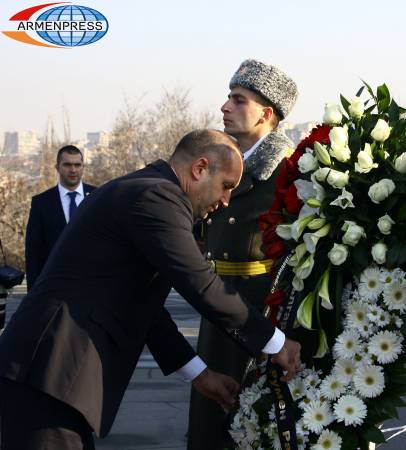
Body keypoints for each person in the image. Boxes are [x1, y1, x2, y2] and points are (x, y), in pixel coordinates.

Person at [0, 129, 301, 450]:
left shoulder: (145, 190)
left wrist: (199, 373)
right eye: (226, 186)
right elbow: (199, 282)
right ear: (199, 169)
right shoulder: (158, 197)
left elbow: (144, 308)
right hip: (48, 370)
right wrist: (275, 342)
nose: (226, 199)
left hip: (53, 378)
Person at [187, 59, 298, 450]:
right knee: (208, 423)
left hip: (256, 310)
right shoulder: (223, 162)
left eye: (238, 100)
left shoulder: (290, 168)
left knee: (248, 423)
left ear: (266, 114)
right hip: (215, 304)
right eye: (228, 98)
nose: (225, 108)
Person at [25, 145, 96, 290]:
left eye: (77, 165)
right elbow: (34, 252)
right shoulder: (41, 203)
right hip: (54, 287)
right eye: (67, 165)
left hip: (91, 286)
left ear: (83, 167)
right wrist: (33, 295)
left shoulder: (97, 197)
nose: (73, 170)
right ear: (57, 167)